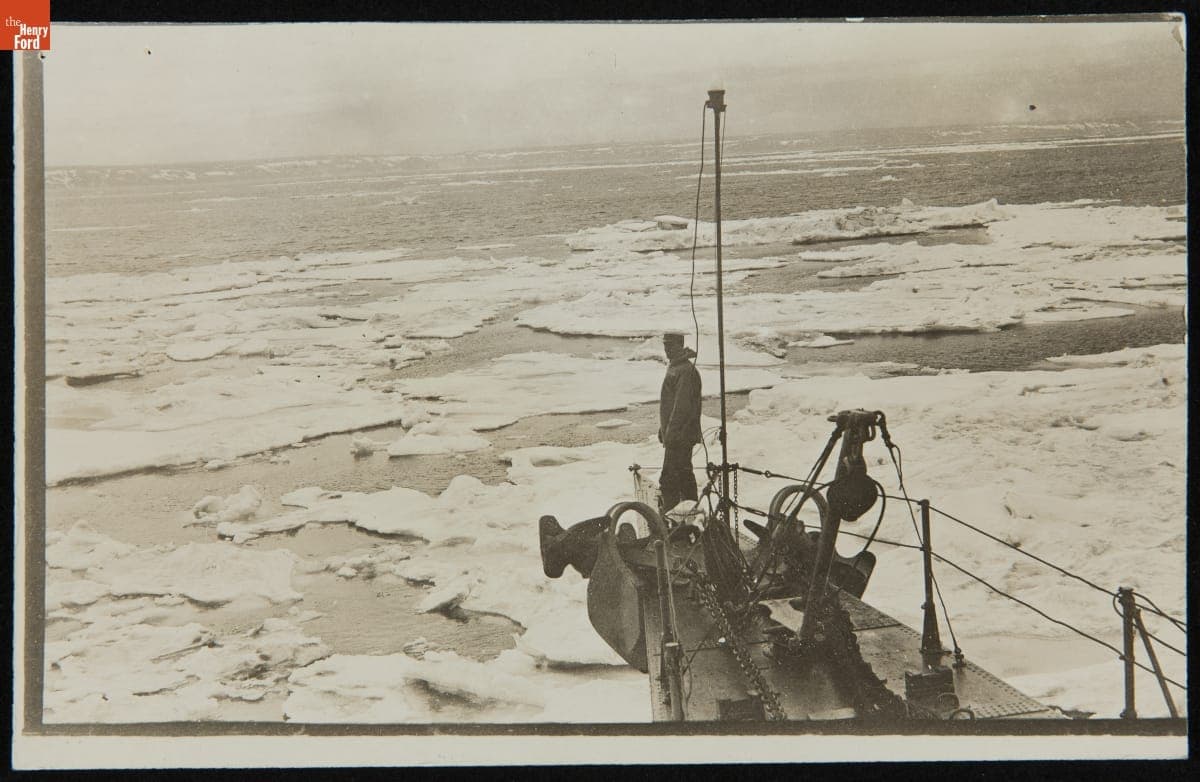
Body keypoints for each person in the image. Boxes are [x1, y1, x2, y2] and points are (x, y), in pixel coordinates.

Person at [658, 332, 702, 512]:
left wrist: (670, 433)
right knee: (683, 475)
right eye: (665, 346)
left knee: (669, 479)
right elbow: (671, 405)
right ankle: (689, 514)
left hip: (680, 435)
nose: (667, 349)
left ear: (680, 345)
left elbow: (681, 408)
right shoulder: (676, 368)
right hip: (677, 434)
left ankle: (673, 519)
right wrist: (663, 428)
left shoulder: (685, 370)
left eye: (671, 346)